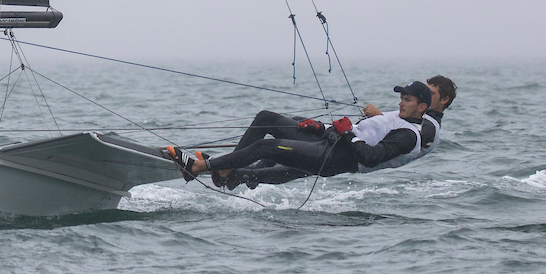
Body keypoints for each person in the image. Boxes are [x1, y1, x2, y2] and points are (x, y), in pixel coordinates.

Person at [162, 76, 456, 189]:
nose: (400, 103)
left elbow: (371, 155)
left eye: (407, 99)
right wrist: (323, 127)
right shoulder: (403, 117)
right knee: (267, 119)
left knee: (270, 148)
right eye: (401, 98)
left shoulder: (415, 133)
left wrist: (348, 134)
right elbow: (367, 131)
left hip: (339, 157)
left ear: (425, 105)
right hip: (333, 142)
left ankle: (200, 168)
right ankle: (227, 171)